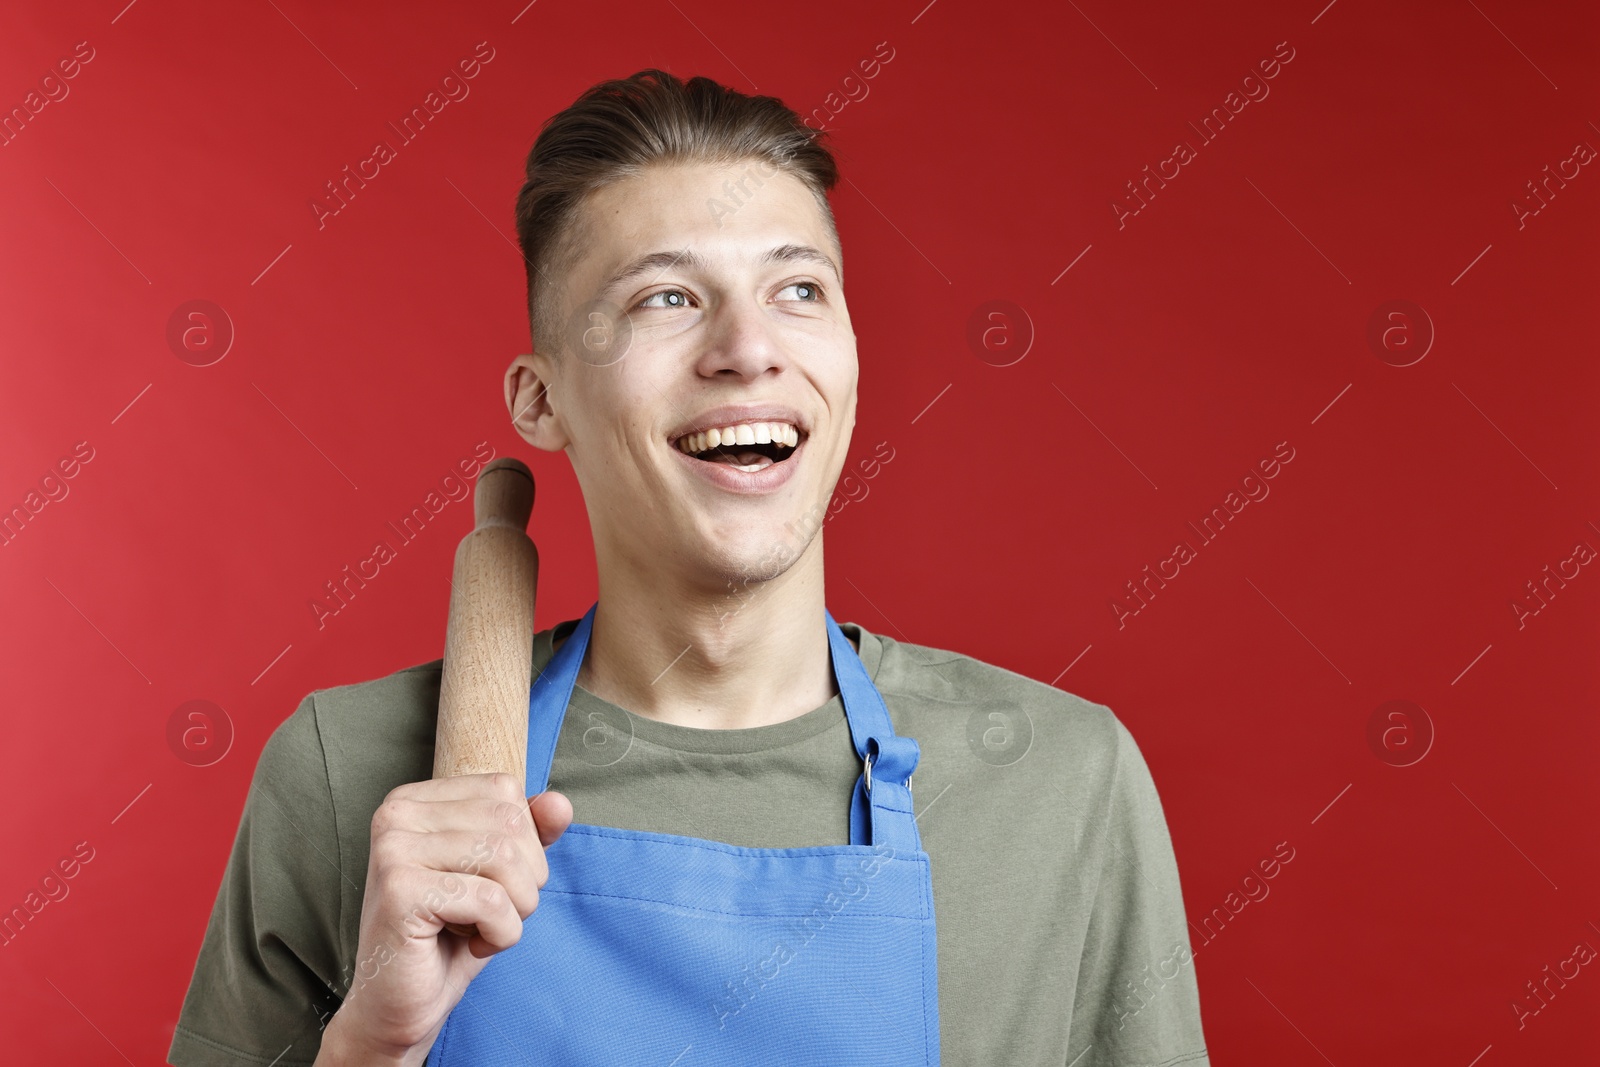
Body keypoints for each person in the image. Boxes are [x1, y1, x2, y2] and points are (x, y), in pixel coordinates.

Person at [169, 69, 1210, 1067]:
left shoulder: (1056, 782)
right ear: (541, 401)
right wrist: (372, 1045)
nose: (747, 347)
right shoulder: (349, 774)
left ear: (849, 359)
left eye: (798, 288)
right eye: (666, 298)